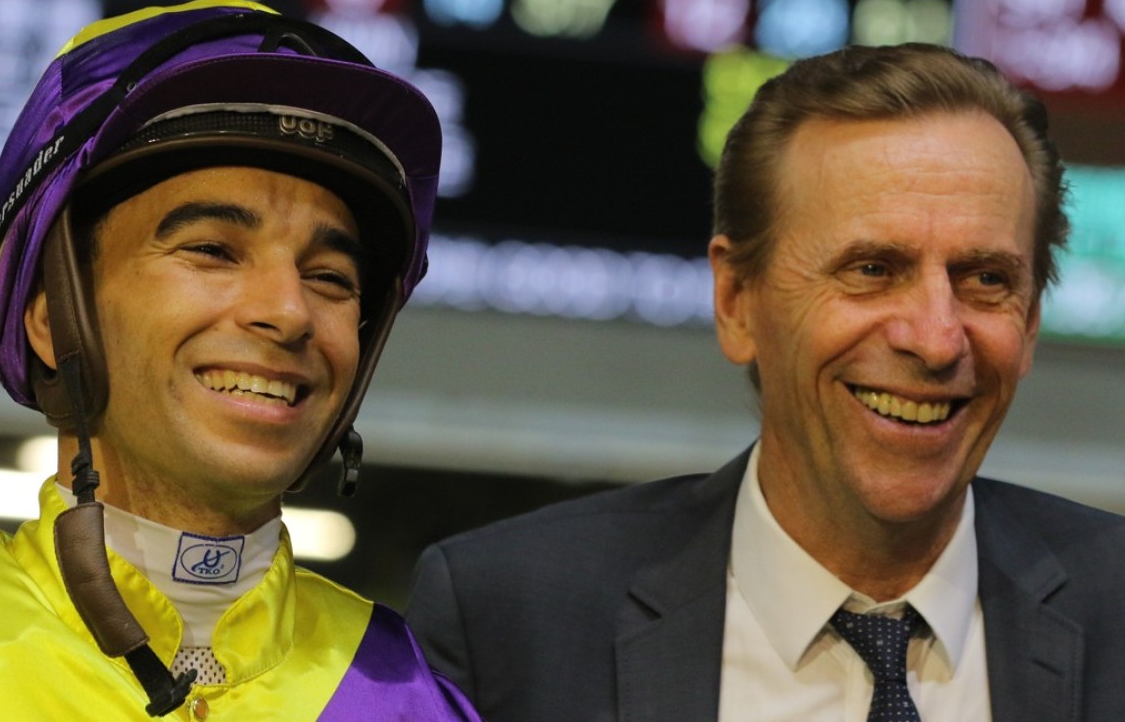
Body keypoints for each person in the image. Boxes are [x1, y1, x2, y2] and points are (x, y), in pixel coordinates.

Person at [403, 43, 1125, 721]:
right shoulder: (510, 620)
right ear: (736, 301)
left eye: (987, 280)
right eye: (872, 270)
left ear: (1029, 323)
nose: (936, 339)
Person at [0, 0, 480, 721]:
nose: (287, 312)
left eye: (330, 279)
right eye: (212, 250)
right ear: (52, 318)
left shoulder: (413, 696)